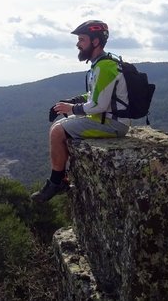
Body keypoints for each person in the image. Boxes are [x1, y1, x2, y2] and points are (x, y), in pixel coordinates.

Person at [30, 20, 130, 202]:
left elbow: (98, 105)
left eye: (82, 39)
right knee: (58, 125)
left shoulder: (105, 67)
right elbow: (95, 95)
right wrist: (72, 102)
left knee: (58, 131)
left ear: (95, 42)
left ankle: (56, 182)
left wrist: (72, 109)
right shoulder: (101, 64)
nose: (78, 44)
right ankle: (62, 178)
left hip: (112, 124)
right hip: (105, 119)